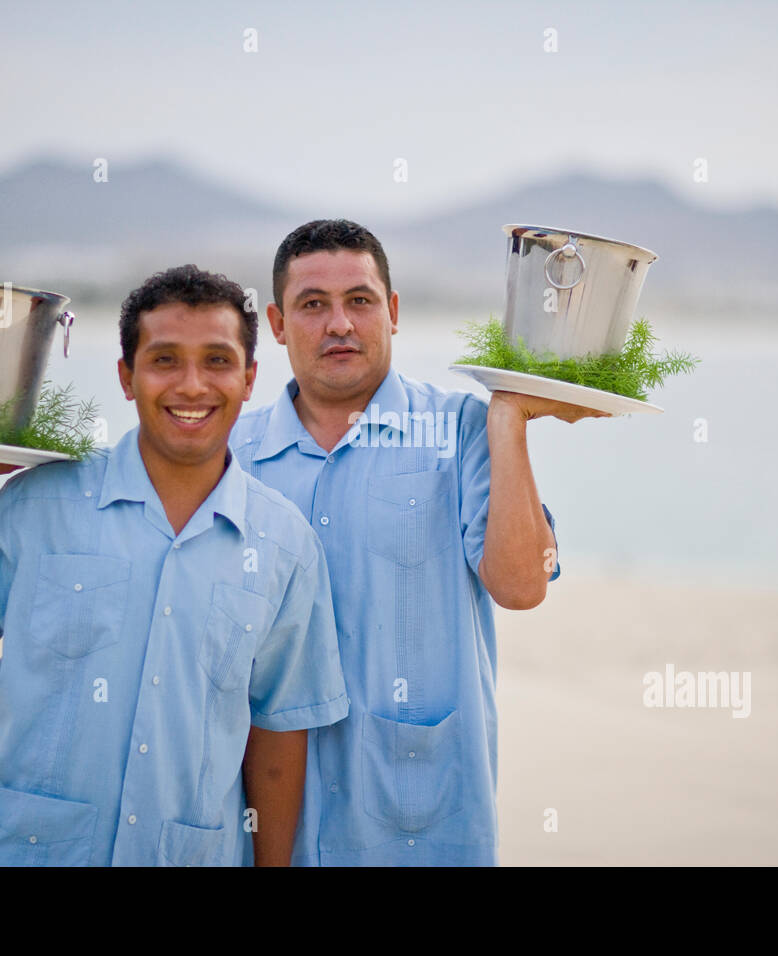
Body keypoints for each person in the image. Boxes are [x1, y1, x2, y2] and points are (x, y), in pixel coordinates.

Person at [0, 264, 348, 866]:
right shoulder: (41, 504)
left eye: (217, 361)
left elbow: (276, 734)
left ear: (249, 378)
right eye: (164, 360)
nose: (192, 385)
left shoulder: (285, 545)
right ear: (126, 377)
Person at [229, 220, 604, 865]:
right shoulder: (232, 456)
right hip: (263, 831)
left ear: (393, 312)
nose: (340, 323)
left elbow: (520, 586)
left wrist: (508, 418)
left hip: (421, 828)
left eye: (361, 300)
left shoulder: (459, 431)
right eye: (313, 304)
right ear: (278, 323)